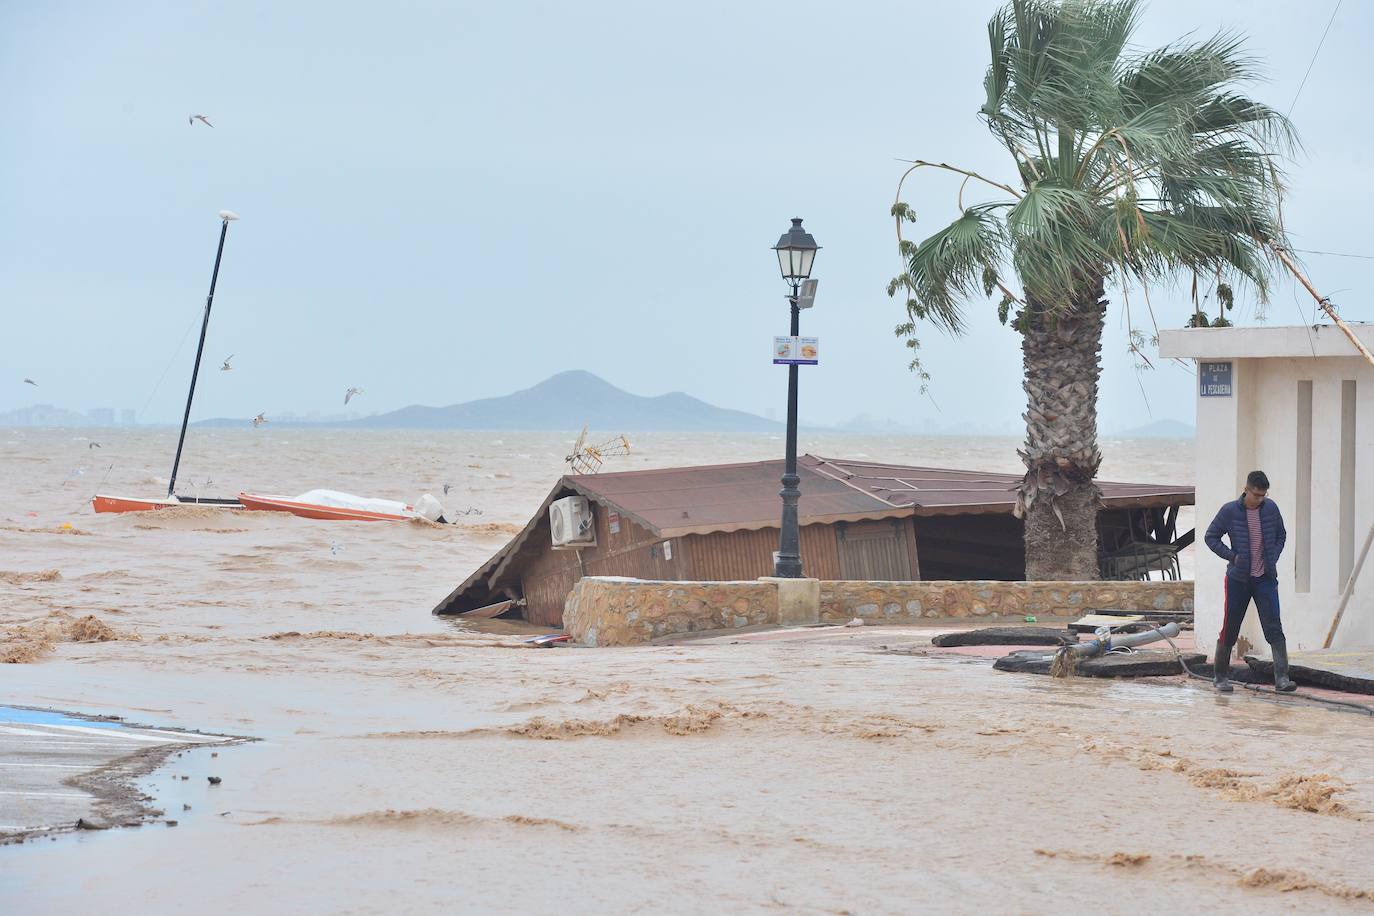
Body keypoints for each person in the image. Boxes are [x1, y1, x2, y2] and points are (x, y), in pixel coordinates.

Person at [1203, 470, 1296, 693]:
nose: (1259, 499)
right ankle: (1220, 676)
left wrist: (1272, 555)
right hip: (1238, 580)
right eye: (1256, 495)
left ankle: (1282, 679)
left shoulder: (1271, 508)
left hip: (1265, 578)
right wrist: (1233, 556)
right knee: (1231, 627)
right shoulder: (1230, 511)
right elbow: (1210, 537)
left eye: (1263, 495)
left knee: (1274, 626)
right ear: (1246, 489)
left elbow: (1281, 535)